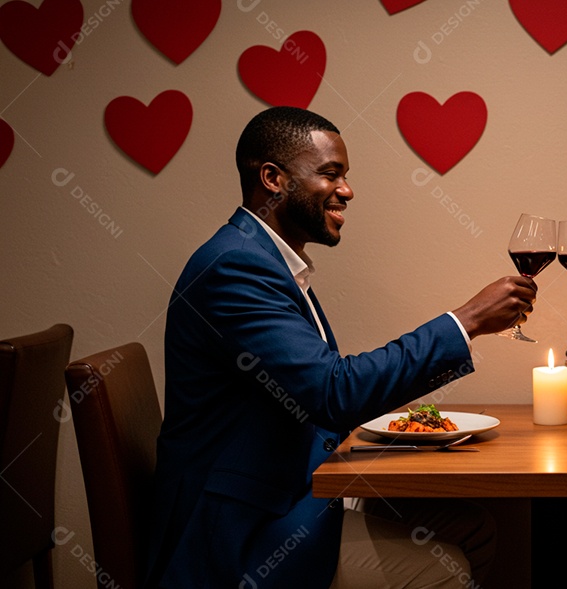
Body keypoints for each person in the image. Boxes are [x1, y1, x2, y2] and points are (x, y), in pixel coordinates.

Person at [145, 106, 537, 588]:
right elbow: (333, 392)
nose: (347, 190)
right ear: (273, 178)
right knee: (445, 568)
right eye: (331, 174)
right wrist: (467, 321)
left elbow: (319, 392)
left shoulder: (266, 259)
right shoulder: (236, 267)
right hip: (239, 536)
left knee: (472, 527)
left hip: (283, 491)